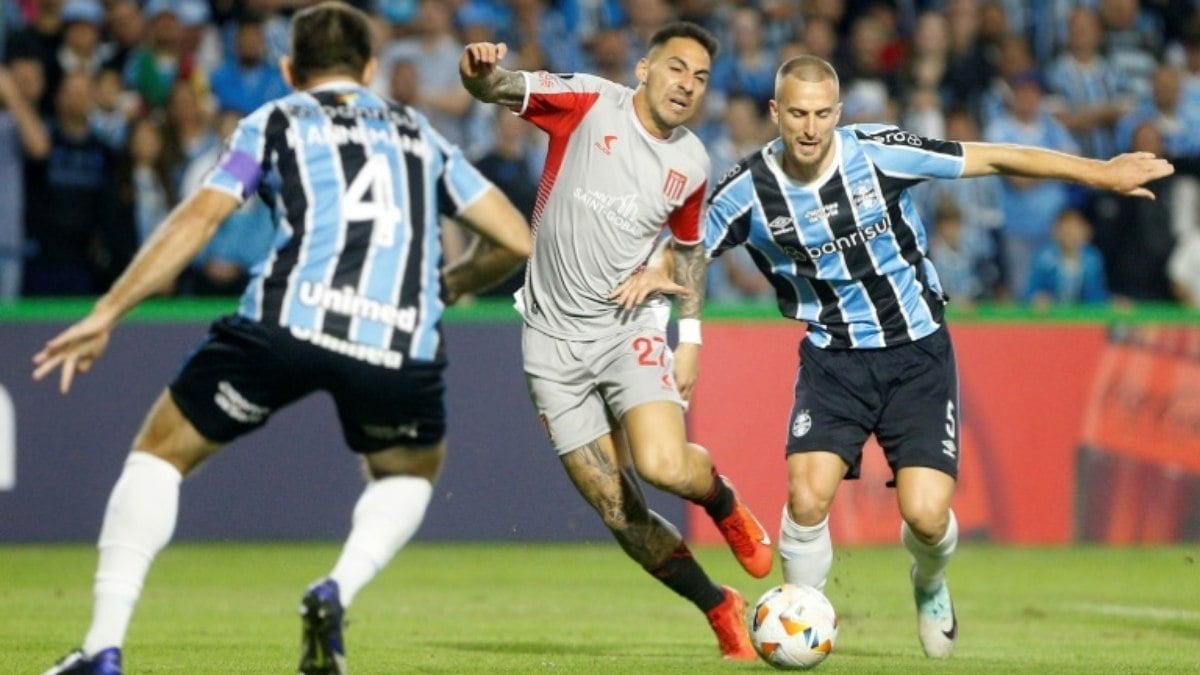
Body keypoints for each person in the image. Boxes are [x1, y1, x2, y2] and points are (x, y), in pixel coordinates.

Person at [35, 4, 532, 674]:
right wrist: (443, 285)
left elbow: (200, 217)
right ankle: (336, 588)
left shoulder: (273, 120)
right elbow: (514, 239)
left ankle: (103, 647)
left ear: (290, 70)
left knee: (159, 453)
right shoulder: (422, 135)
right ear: (371, 68)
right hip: (394, 339)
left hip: (286, 321)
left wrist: (109, 310)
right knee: (409, 472)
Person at [661, 54, 1173, 660]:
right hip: (834, 360)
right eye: (796, 113)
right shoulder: (746, 192)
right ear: (775, 112)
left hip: (917, 353)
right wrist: (652, 286)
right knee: (806, 497)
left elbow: (993, 155)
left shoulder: (879, 151)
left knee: (927, 517)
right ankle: (802, 616)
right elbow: (688, 253)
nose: (809, 127)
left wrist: (1099, 173)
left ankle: (929, 584)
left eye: (822, 113)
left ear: (839, 112)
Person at [459, 22, 771, 662]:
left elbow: (689, 252)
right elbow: (498, 87)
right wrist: (478, 70)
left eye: (701, 77)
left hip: (626, 330)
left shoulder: (690, 162)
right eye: (677, 68)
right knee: (619, 509)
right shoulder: (587, 102)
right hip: (549, 344)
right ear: (644, 70)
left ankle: (721, 499)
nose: (687, 84)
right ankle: (718, 604)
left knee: (662, 467)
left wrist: (691, 340)